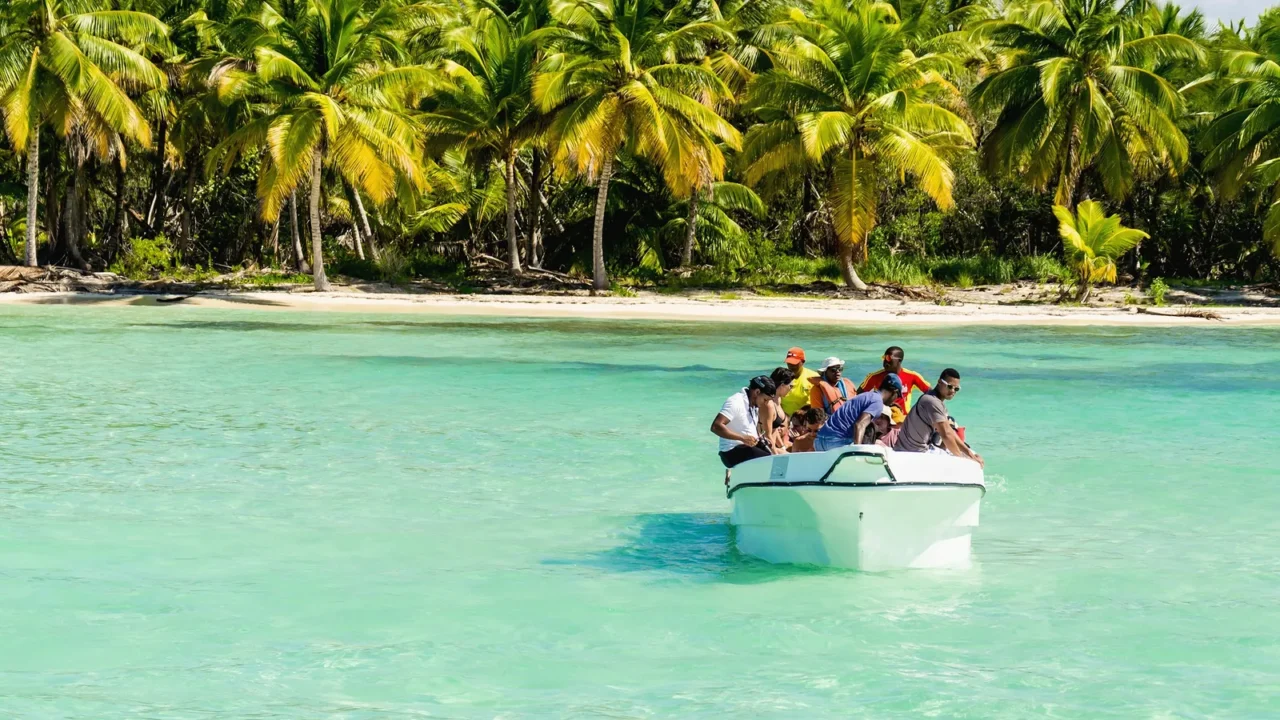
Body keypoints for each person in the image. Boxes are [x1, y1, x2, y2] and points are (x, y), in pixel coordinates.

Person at [894, 368, 983, 466]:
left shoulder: (934, 399)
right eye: (950, 387)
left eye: (956, 389)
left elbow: (949, 431)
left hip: (913, 449)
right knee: (972, 462)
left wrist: (969, 453)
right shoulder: (932, 402)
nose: (953, 391)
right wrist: (962, 460)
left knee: (973, 456)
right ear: (940, 382)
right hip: (915, 453)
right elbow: (946, 435)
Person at [813, 374, 904, 452]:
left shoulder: (865, 395)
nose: (895, 400)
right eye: (898, 396)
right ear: (894, 392)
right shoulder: (878, 402)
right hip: (836, 442)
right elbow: (860, 424)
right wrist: (857, 452)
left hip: (819, 442)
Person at [711, 376, 778, 468]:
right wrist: (742, 438)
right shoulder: (735, 402)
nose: (765, 403)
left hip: (746, 447)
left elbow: (746, 427)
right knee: (767, 459)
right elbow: (716, 426)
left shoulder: (753, 403)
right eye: (765, 400)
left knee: (775, 455)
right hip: (730, 452)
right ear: (757, 392)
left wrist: (760, 438)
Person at [857, 346, 931, 420]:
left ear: (899, 360)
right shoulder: (874, 377)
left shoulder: (912, 376)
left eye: (889, 358)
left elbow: (932, 394)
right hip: (880, 420)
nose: (885, 362)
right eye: (884, 358)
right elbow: (857, 396)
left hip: (903, 421)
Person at [758, 367, 796, 451]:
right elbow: (767, 435)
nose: (791, 389)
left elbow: (774, 428)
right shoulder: (768, 404)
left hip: (773, 445)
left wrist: (782, 447)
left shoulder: (778, 399)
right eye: (791, 386)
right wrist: (775, 454)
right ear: (782, 385)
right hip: (764, 447)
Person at [780, 347, 819, 416]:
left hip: (805, 419)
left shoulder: (814, 377)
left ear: (803, 362)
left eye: (794, 363)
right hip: (784, 418)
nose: (791, 366)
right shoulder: (781, 376)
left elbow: (816, 404)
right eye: (789, 363)